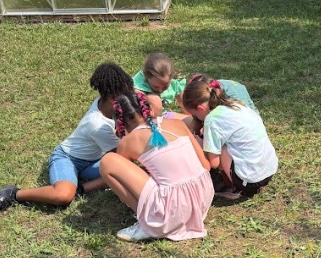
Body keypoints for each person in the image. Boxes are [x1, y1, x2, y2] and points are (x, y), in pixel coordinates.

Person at [0, 63, 134, 212]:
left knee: (127, 170)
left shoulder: (105, 104)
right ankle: (15, 194)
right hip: (67, 158)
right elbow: (125, 152)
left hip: (92, 161)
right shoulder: (98, 125)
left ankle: (80, 185)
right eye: (128, 96)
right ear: (113, 98)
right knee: (63, 195)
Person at [99, 92, 214, 242]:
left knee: (108, 161)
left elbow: (124, 178)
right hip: (202, 199)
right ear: (150, 110)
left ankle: (146, 222)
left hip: (172, 211)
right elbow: (206, 165)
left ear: (121, 122)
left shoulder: (127, 142)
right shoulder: (178, 123)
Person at [182, 79, 278, 199]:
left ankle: (232, 187)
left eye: (195, 114)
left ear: (200, 108)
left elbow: (214, 163)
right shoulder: (236, 104)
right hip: (269, 170)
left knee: (222, 148)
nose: (196, 118)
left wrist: (200, 144)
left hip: (250, 181)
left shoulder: (211, 119)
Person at [133, 53, 188, 118]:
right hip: (142, 119)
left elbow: (186, 106)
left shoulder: (174, 83)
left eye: (165, 87)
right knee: (154, 99)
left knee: (191, 121)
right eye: (155, 87)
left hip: (164, 115)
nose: (160, 90)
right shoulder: (137, 86)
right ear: (146, 77)